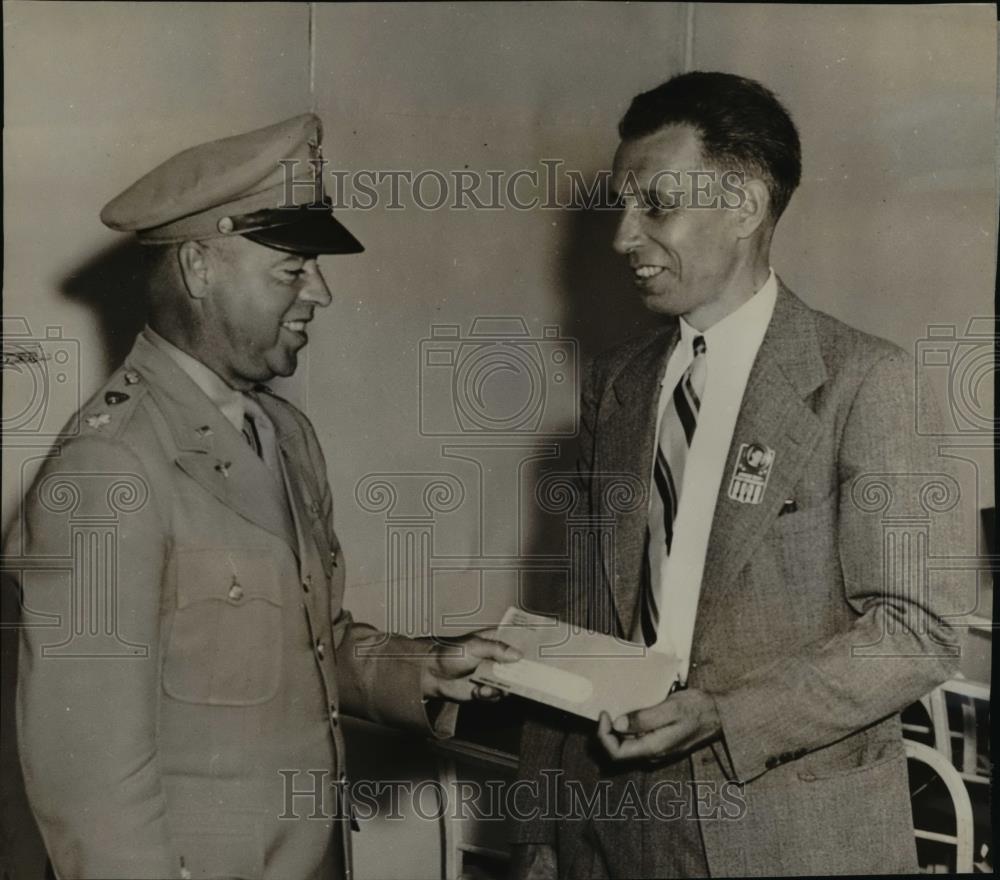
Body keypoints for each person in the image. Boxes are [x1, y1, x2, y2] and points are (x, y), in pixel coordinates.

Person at [7, 113, 519, 880]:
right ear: (198, 268)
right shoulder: (108, 471)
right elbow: (87, 785)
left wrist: (422, 671)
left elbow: (307, 649)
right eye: (291, 269)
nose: (322, 292)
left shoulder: (285, 437)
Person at [511, 72, 964, 878]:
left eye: (655, 205)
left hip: (786, 832)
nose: (623, 238)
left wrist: (725, 715)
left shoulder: (866, 382)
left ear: (746, 207)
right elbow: (582, 615)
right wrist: (543, 827)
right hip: (611, 831)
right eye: (623, 205)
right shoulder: (617, 384)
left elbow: (916, 633)